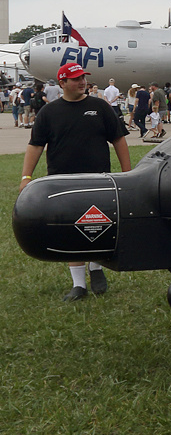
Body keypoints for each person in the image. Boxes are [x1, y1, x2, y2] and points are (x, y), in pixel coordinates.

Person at [21, 63, 133, 301]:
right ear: (62, 83)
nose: (82, 82)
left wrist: (127, 173)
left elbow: (119, 140)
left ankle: (96, 267)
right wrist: (26, 177)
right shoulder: (48, 113)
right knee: (71, 229)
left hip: (98, 180)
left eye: (83, 77)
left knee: (97, 224)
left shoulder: (100, 106)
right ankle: (79, 285)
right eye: (75, 79)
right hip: (63, 183)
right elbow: (36, 145)